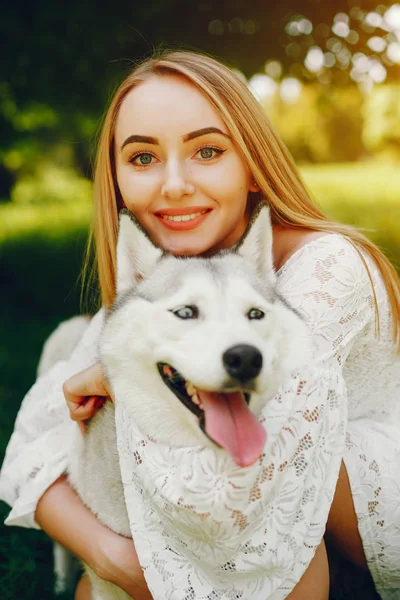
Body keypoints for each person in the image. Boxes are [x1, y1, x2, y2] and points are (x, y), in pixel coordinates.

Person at [1, 50, 399, 600]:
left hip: (354, 523)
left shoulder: (330, 267)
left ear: (254, 166)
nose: (174, 184)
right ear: (116, 180)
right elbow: (29, 450)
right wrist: (109, 556)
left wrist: (111, 375)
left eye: (207, 151)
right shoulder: (160, 287)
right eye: (142, 159)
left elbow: (235, 474)